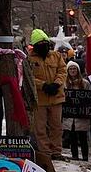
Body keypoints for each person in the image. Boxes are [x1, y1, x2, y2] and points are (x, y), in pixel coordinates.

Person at [28, 30, 67, 160]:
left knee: (56, 126)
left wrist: (56, 84)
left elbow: (62, 71)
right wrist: (43, 85)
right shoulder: (29, 59)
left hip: (56, 97)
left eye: (46, 43)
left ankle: (56, 151)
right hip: (39, 99)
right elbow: (28, 76)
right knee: (40, 128)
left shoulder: (56, 56)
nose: (44, 46)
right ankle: (45, 152)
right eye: (41, 44)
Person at [62, 61, 91, 161]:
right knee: (72, 136)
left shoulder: (85, 83)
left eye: (74, 69)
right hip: (70, 115)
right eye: (70, 69)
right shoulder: (64, 84)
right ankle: (74, 155)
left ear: (78, 70)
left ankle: (85, 156)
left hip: (81, 115)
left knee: (83, 137)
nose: (72, 71)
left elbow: (90, 97)